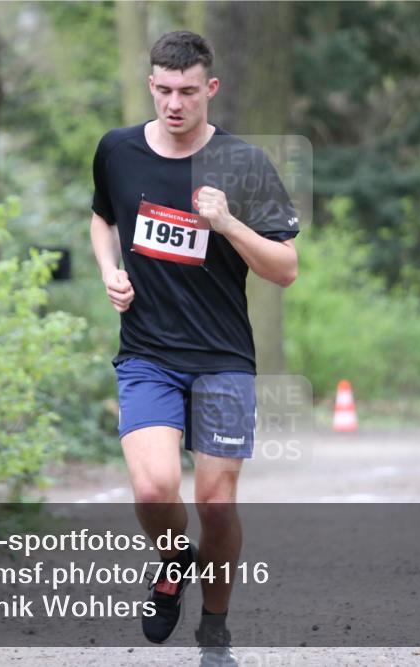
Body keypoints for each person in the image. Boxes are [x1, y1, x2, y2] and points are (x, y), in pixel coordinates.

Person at [89, 31, 299, 665]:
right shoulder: (118, 150)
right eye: (162, 90)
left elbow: (285, 268)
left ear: (210, 89)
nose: (173, 103)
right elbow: (103, 218)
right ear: (150, 84)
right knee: (154, 490)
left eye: (187, 91)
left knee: (214, 502)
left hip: (223, 359)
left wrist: (228, 222)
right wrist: (109, 270)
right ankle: (171, 561)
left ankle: (215, 627)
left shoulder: (244, 164)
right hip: (147, 351)